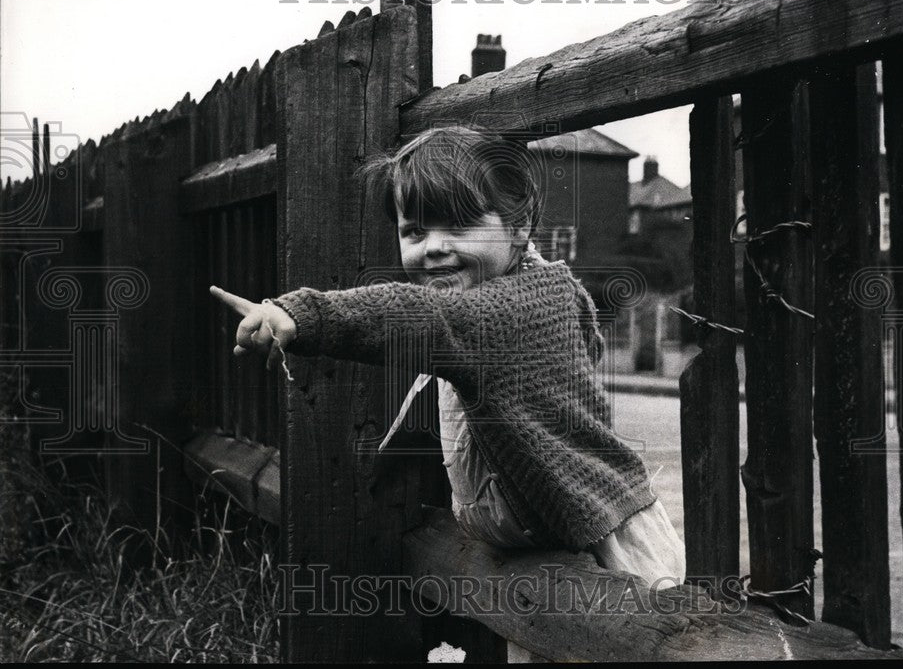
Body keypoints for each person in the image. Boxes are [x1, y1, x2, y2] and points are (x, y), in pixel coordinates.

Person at [210, 125, 685, 595]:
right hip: (546, 552)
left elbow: (416, 315)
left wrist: (300, 314)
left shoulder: (502, 312)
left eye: (460, 224)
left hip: (608, 553)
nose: (434, 246)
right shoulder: (518, 297)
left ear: (519, 227)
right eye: (414, 230)